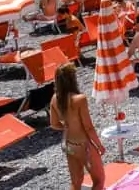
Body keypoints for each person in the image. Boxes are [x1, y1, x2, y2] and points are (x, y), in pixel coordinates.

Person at [50, 62, 105, 190]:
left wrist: (67, 126)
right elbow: (88, 127)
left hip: (69, 145)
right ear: (72, 79)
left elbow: (54, 124)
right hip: (84, 145)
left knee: (76, 182)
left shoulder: (54, 99)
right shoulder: (79, 99)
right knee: (99, 181)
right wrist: (99, 145)